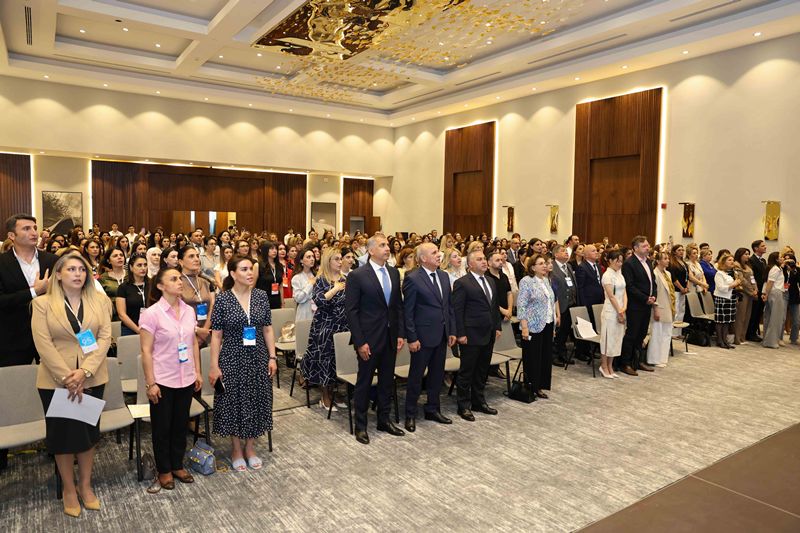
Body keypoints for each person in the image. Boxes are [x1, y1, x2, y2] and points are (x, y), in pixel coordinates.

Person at [31, 253, 112, 517]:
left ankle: (85, 486)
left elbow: (105, 337)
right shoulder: (41, 304)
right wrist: (68, 377)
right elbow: (43, 344)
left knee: (87, 435)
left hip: (92, 377)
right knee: (63, 437)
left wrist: (85, 372)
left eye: (82, 269)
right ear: (58, 274)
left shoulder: (100, 301)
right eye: (71, 269)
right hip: (56, 381)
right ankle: (68, 488)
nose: (78, 274)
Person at [0, 214, 58, 471]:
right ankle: (3, 452)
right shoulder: (1, 263)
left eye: (35, 227)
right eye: (26, 228)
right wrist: (35, 291)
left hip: (51, 336)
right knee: (9, 392)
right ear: (11, 236)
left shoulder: (51, 261)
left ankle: (58, 445)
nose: (34, 232)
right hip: (12, 339)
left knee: (57, 389)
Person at [208, 256, 277, 470]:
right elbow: (216, 335)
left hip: (258, 357)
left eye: (251, 269)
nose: (250, 273)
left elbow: (267, 328)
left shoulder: (261, 296)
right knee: (234, 402)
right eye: (244, 269)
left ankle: (250, 447)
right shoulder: (223, 299)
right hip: (232, 357)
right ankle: (236, 448)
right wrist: (214, 366)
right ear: (233, 273)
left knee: (257, 399)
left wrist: (272, 357)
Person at [139, 267, 202, 491]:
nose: (179, 282)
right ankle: (164, 469)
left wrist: (197, 371)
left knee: (180, 425)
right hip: (163, 379)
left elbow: (193, 342)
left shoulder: (188, 310)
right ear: (160, 285)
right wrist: (151, 383)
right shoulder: (152, 313)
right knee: (162, 428)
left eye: (180, 278)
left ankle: (177, 464)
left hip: (186, 377)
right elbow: (146, 351)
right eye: (173, 279)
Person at [344, 235, 406, 444]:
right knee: (364, 382)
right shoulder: (358, 275)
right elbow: (352, 312)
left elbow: (397, 307)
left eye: (387, 245)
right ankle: (361, 426)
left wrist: (400, 334)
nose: (387, 248)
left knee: (387, 381)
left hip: (390, 337)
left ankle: (383, 420)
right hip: (368, 339)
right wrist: (360, 342)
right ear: (370, 251)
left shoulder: (393, 272)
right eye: (382, 245)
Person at [402, 243, 456, 432]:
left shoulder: (444, 276)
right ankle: (410, 414)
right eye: (434, 253)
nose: (439, 255)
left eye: (438, 252)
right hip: (422, 337)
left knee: (437, 375)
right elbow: (408, 312)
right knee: (416, 377)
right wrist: (412, 338)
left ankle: (433, 409)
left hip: (441, 335)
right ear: (423, 258)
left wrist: (452, 331)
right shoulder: (413, 278)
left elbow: (449, 307)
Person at [452, 249, 502, 422]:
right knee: (467, 371)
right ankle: (463, 405)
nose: (484, 262)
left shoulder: (490, 281)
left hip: (488, 332)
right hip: (471, 334)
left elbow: (494, 306)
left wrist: (497, 327)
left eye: (484, 259)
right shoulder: (462, 283)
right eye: (479, 259)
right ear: (470, 264)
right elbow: (458, 310)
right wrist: (460, 333)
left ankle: (478, 401)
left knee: (482, 370)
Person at [301, 248, 349, 412]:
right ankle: (325, 396)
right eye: (336, 259)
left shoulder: (344, 279)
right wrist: (335, 289)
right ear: (328, 261)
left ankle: (334, 392)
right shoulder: (321, 279)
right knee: (325, 361)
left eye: (341, 259)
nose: (340, 262)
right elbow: (319, 300)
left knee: (337, 361)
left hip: (342, 326)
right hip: (324, 327)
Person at [517, 254, 558, 397]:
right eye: (541, 263)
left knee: (545, 356)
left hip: (547, 323)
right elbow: (521, 305)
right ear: (533, 267)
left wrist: (553, 325)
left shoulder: (546, 280)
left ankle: (540, 385)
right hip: (532, 326)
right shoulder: (526, 281)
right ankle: (531, 386)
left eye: (545, 263)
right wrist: (524, 327)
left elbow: (550, 303)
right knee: (533, 357)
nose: (545, 266)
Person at [617, 236, 656, 376]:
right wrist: (645, 298)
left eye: (648, 245)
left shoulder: (648, 261)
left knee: (642, 333)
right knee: (632, 334)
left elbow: (653, 282)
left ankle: (637, 361)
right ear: (635, 248)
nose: (648, 248)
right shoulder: (629, 263)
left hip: (647, 304)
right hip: (635, 305)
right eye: (644, 246)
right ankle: (625, 363)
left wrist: (653, 296)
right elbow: (630, 286)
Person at [177, 246, 214, 348]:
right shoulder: (177, 282)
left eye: (197, 256)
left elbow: (212, 308)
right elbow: (175, 313)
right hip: (184, 334)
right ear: (181, 262)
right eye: (191, 256)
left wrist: (204, 331)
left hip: (206, 333)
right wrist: (197, 330)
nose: (196, 259)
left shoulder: (205, 282)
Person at [597, 250, 626, 378]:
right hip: (610, 310)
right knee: (608, 339)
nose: (620, 264)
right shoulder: (607, 275)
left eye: (621, 261)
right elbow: (611, 296)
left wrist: (624, 308)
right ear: (610, 261)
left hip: (621, 309)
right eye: (617, 261)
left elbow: (624, 292)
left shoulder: (620, 274)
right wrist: (619, 311)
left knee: (617, 339)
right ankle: (604, 366)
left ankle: (610, 365)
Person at [574, 244, 604, 361]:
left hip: (598, 301)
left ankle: (590, 350)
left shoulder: (597, 266)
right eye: (593, 251)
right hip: (587, 301)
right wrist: (583, 305)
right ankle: (581, 352)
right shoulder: (582, 267)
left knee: (594, 326)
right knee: (585, 326)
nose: (596, 252)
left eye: (596, 250)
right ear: (586, 255)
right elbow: (580, 288)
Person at [550, 245, 577, 366]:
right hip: (559, 304)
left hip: (570, 304)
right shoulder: (552, 267)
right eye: (563, 251)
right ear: (556, 255)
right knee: (558, 332)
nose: (566, 252)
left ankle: (563, 353)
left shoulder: (568, 266)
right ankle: (554, 355)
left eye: (566, 251)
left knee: (565, 331)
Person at [647, 252, 675, 366]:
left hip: (669, 307)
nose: (668, 260)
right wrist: (655, 307)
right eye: (665, 258)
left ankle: (663, 358)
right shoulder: (655, 273)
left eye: (668, 258)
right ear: (658, 261)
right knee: (657, 334)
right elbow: (654, 293)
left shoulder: (668, 273)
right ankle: (654, 359)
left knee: (667, 334)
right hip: (659, 307)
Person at [115, 253, 150, 336]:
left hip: (151, 327)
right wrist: (138, 330)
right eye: (139, 265)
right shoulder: (123, 287)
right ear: (131, 267)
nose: (143, 268)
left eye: (145, 265)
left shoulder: (152, 284)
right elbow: (122, 314)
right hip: (129, 329)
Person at [713, 252, 740, 349]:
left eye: (733, 260)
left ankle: (725, 340)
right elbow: (721, 288)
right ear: (723, 262)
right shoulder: (719, 274)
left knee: (727, 321)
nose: (732, 262)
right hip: (722, 299)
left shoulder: (730, 273)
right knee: (720, 321)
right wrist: (734, 284)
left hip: (730, 299)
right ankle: (719, 341)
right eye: (729, 260)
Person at [762, 252, 787, 349]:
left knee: (770, 316)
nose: (783, 258)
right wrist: (766, 294)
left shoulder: (778, 268)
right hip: (776, 293)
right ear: (776, 259)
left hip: (774, 292)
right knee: (775, 318)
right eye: (781, 257)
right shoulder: (775, 269)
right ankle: (771, 342)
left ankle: (767, 340)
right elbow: (770, 282)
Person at [732, 248, 757, 345]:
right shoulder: (736, 265)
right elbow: (742, 280)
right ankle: (737, 338)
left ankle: (743, 337)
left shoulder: (748, 266)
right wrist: (751, 291)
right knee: (740, 316)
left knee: (747, 316)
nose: (747, 256)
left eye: (748, 254)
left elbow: (752, 279)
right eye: (745, 254)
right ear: (740, 255)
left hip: (750, 293)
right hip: (742, 293)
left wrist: (755, 289)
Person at [747, 240, 768, 341]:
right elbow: (751, 276)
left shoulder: (763, 260)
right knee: (754, 312)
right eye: (762, 246)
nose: (765, 247)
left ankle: (754, 332)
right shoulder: (751, 260)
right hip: (755, 289)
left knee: (759, 312)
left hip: (762, 289)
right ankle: (750, 333)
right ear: (756, 248)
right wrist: (754, 289)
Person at [99, 247, 127, 321]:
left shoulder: (131, 275)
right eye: (115, 256)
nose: (119, 257)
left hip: (132, 314)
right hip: (112, 317)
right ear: (109, 261)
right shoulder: (103, 278)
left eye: (121, 255)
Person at [667, 245, 689, 337]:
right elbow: (673, 278)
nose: (681, 252)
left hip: (683, 290)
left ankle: (678, 332)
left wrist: (686, 287)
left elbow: (687, 276)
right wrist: (681, 288)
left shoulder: (684, 263)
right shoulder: (672, 263)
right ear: (674, 252)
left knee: (681, 311)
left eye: (682, 250)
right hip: (676, 290)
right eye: (679, 250)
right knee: (675, 311)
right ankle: (673, 333)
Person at [256, 241, 284, 311]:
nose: (274, 251)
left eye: (276, 249)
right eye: (271, 249)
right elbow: (252, 286)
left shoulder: (279, 266)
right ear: (265, 250)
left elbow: (280, 286)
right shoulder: (258, 265)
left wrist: (282, 302)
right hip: (262, 300)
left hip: (276, 299)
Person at [291, 248, 317, 321]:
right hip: (304, 312)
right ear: (301, 260)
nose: (312, 259)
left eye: (313, 256)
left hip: (317, 311)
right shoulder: (297, 278)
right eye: (308, 257)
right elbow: (298, 298)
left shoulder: (316, 275)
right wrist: (310, 285)